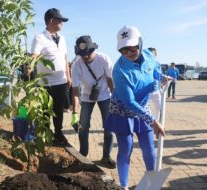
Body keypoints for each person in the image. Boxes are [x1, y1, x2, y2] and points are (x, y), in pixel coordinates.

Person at [104, 26, 166, 189]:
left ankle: (152, 182)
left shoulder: (149, 55)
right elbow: (130, 103)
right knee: (126, 149)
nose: (130, 52)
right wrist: (153, 121)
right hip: (123, 110)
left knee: (148, 148)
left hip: (142, 106)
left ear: (140, 42)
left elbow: (155, 70)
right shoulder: (119, 71)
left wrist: (161, 78)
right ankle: (123, 185)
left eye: (133, 47)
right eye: (124, 49)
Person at [71, 35, 116, 168]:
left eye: (87, 54)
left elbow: (110, 80)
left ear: (92, 50)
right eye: (81, 54)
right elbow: (75, 91)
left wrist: (115, 100)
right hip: (86, 97)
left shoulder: (104, 59)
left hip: (105, 96)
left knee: (109, 127)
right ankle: (83, 155)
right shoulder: (76, 64)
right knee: (83, 126)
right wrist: (74, 113)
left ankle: (106, 156)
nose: (84, 57)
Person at [31, 8, 71, 144]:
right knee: (45, 111)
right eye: (60, 20)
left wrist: (68, 76)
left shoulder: (63, 39)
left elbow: (65, 58)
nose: (62, 23)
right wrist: (29, 66)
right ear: (51, 21)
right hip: (45, 83)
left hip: (61, 81)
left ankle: (58, 133)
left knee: (58, 110)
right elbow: (34, 56)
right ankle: (46, 136)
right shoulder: (39, 37)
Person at [148, 47, 161, 120]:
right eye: (149, 53)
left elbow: (159, 74)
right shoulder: (144, 63)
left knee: (159, 107)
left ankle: (157, 121)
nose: (151, 55)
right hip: (147, 90)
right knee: (145, 108)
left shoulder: (157, 63)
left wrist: (163, 80)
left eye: (153, 53)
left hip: (156, 89)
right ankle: (150, 121)